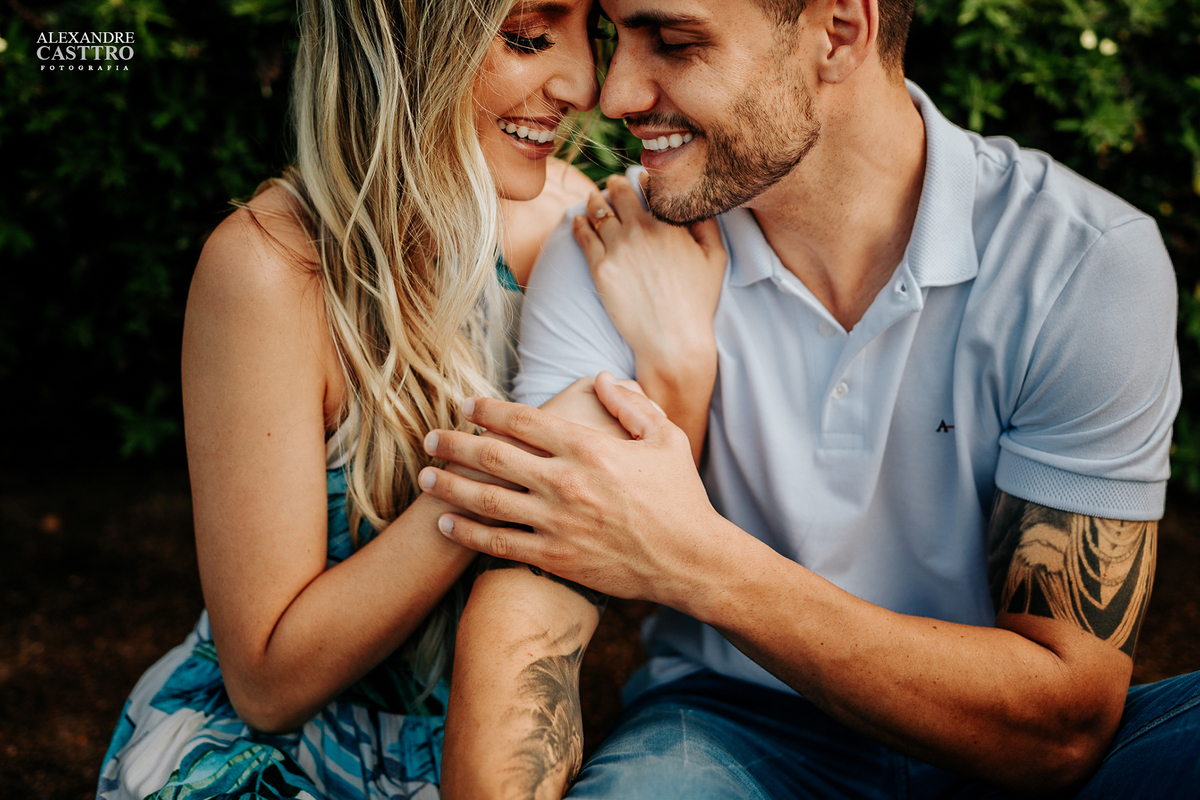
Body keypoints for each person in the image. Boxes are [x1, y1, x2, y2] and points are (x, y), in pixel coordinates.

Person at [416, 0, 1200, 796]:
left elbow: (1061, 725)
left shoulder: (1081, 263)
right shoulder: (618, 246)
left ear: (839, 33)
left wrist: (693, 558)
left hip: (997, 749)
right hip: (728, 731)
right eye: (617, 38)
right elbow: (532, 595)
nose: (612, 94)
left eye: (675, 42)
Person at [95, 0, 722, 797]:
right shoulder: (269, 271)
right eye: (528, 36)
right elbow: (267, 685)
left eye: (589, 36)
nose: (586, 85)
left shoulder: (577, 227)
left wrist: (680, 368)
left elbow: (634, 582)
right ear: (402, 40)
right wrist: (510, 467)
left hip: (482, 749)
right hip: (274, 760)